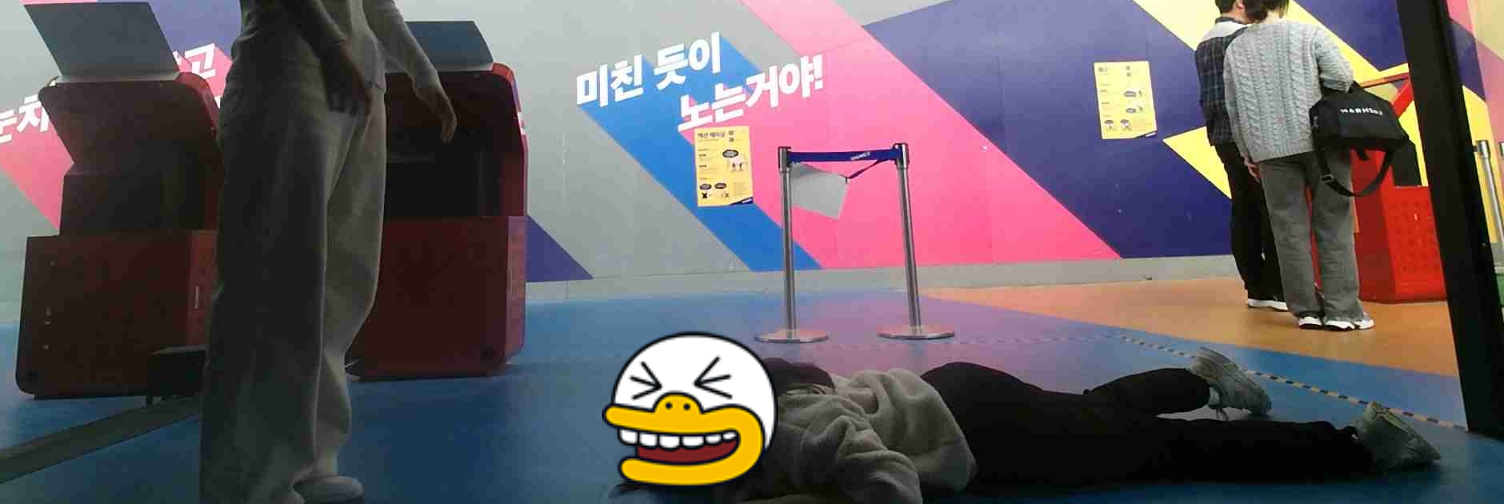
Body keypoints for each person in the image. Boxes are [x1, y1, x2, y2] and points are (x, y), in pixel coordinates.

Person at [201, 0, 459, 504]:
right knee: (273, 283)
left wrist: (421, 72)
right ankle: (250, 482)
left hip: (358, 88)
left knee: (340, 284)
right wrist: (331, 48)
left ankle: (311, 459)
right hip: (288, 77)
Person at [610, 351, 1438, 503]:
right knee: (1097, 414)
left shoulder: (796, 432)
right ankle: (1198, 379)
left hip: (982, 433)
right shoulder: (748, 427)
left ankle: (1357, 448)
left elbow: (891, 483)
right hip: (957, 397)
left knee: (1159, 451)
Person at [1223, 0, 1368, 332]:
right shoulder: (1308, 34)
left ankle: (1306, 311)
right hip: (1320, 144)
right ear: (1283, 1)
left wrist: (1247, 153)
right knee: (1333, 223)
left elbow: (1234, 108)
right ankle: (1343, 312)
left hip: (1268, 150)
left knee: (1287, 229)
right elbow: (1341, 76)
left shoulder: (1236, 48)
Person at [1195, 0, 1285, 311]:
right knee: (1273, 209)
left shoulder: (1205, 41)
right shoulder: (1243, 38)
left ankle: (1256, 287)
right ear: (1240, 3)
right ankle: (1280, 287)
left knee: (1244, 208)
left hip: (1221, 135)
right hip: (1251, 135)